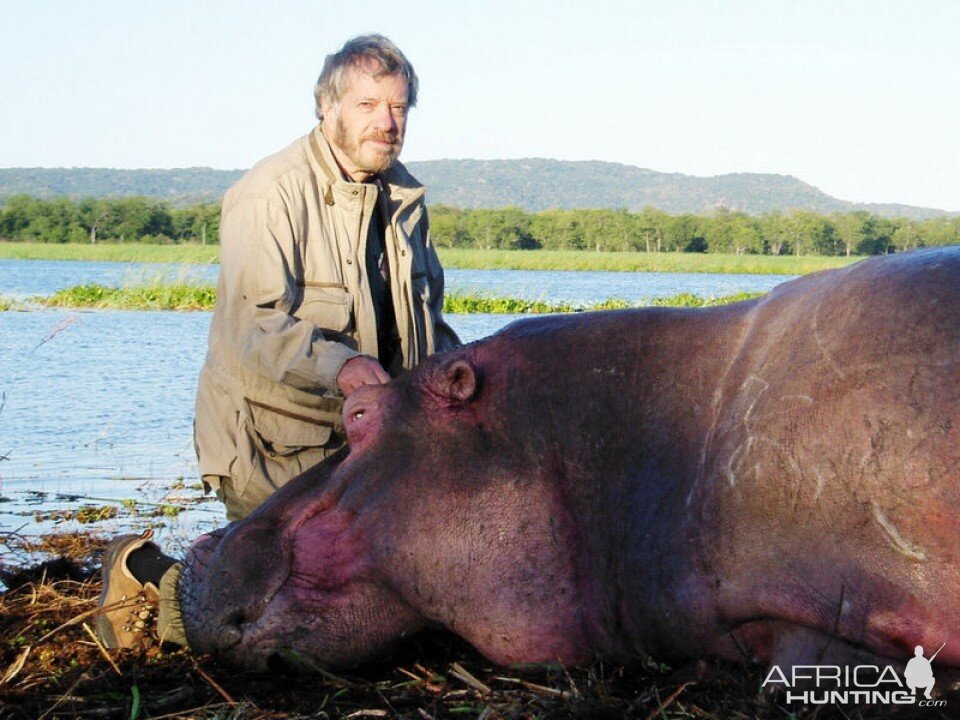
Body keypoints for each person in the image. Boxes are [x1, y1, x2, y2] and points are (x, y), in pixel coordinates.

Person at [95, 33, 459, 650]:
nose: (387, 122)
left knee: (397, 590)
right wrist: (345, 368)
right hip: (276, 435)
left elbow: (425, 321)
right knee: (281, 612)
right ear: (329, 107)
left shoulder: (403, 200)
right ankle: (147, 577)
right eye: (369, 105)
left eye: (399, 107)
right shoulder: (269, 193)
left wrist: (463, 377)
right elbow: (253, 325)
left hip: (367, 436)